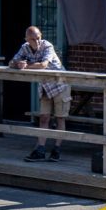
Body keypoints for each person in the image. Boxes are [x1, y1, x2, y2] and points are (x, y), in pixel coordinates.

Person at [10, 26, 71, 162]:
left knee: (60, 118)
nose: (36, 42)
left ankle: (56, 150)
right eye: (32, 39)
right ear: (26, 39)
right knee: (44, 118)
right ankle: (41, 150)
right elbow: (12, 62)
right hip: (45, 86)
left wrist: (26, 66)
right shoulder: (25, 48)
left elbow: (43, 65)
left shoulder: (47, 46)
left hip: (60, 84)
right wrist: (17, 64)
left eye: (38, 38)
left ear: (41, 36)